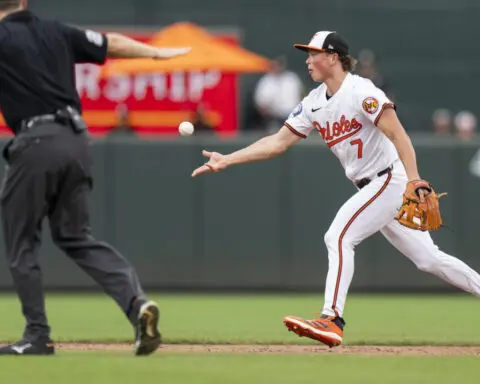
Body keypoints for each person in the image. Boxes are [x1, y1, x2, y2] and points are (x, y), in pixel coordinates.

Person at [191, 30, 480, 348]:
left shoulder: (362, 91)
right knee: (429, 260)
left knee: (339, 236)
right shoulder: (313, 103)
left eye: (314, 53)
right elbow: (277, 143)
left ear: (333, 57)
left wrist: (414, 179)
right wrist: (228, 158)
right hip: (373, 186)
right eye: (307, 54)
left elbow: (399, 135)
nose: (308, 60)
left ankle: (331, 318)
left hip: (389, 179)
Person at [0, 0, 190, 356]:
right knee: (76, 237)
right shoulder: (56, 31)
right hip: (77, 141)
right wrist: (156, 53)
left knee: (21, 243)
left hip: (35, 142)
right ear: (24, 2)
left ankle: (36, 335)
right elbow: (112, 44)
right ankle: (137, 306)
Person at [253, 56, 304, 133]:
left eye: (280, 65)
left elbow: (301, 95)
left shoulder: (292, 79)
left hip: (292, 117)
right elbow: (260, 104)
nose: (278, 67)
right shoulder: (266, 81)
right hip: (273, 118)